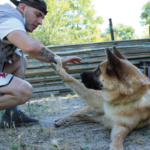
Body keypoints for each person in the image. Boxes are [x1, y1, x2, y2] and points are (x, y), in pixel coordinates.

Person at [0, 0, 82, 128]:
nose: (40, 22)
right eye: (37, 15)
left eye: (42, 18)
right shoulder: (9, 16)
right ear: (22, 8)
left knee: (20, 61)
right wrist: (56, 59)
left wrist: (12, 52)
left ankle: (11, 115)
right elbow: (30, 47)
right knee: (23, 90)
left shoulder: (14, 22)